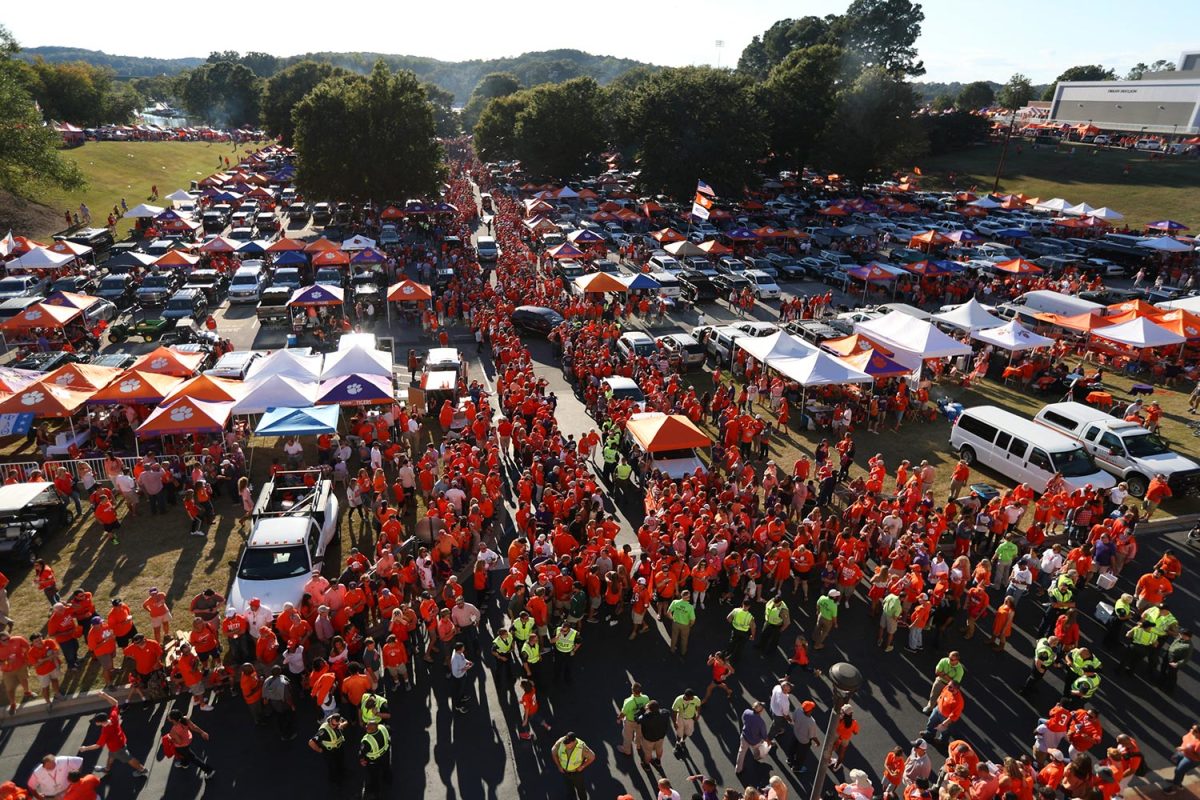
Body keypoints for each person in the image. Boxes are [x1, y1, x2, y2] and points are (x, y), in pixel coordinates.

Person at [77, 692, 148, 777]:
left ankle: (142, 769)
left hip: (117, 748)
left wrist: (85, 748)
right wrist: (105, 696)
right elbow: (115, 703)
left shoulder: (105, 731)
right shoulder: (113, 717)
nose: (95, 723)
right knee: (111, 756)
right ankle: (107, 769)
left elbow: (97, 745)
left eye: (96, 721)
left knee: (129, 758)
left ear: (101, 722)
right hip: (119, 742)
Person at [165, 709, 215, 779]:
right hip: (188, 739)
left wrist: (171, 739)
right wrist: (202, 732)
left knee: (193, 758)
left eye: (169, 716)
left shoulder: (173, 730)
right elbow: (193, 727)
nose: (168, 717)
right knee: (185, 754)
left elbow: (179, 742)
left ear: (173, 720)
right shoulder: (185, 719)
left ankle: (209, 770)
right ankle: (184, 763)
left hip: (181, 746)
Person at [307, 713, 350, 785]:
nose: (335, 726)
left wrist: (342, 725)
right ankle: (334, 780)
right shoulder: (323, 731)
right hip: (330, 752)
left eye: (337, 725)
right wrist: (319, 750)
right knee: (332, 766)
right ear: (330, 721)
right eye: (333, 725)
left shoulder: (337, 719)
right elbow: (311, 742)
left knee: (340, 762)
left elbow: (346, 721)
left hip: (339, 748)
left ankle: (342, 772)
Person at [552, 732, 595, 800]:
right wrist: (559, 766)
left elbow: (592, 756)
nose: (565, 745)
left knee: (581, 790)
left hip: (577, 773)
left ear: (574, 742)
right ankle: (571, 797)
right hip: (565, 772)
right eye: (565, 743)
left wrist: (582, 766)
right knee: (569, 787)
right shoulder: (561, 742)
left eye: (568, 744)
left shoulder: (582, 747)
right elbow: (553, 751)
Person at [358, 720, 391, 800]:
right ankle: (388, 779)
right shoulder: (383, 728)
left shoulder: (367, 741)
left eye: (368, 727)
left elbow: (362, 753)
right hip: (385, 755)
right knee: (386, 768)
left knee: (374, 776)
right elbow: (390, 732)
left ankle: (376, 792)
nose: (366, 726)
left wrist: (361, 760)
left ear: (372, 730)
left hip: (374, 761)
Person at [1164, 723, 1200, 793]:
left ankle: (1174, 787)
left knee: (1179, 770)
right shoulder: (1191, 733)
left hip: (1191, 759)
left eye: (1195, 730)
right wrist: (1183, 750)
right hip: (1183, 753)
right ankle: (1177, 782)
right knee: (1178, 770)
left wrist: (1184, 749)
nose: (1191, 730)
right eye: (1192, 728)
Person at [735, 701, 770, 773]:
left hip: (744, 737)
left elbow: (743, 719)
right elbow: (764, 735)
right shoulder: (761, 722)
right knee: (756, 750)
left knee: (741, 753)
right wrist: (768, 742)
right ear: (761, 711)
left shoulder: (747, 712)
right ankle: (756, 758)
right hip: (755, 741)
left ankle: (738, 769)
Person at [636, 700, 672, 767]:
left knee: (648, 753)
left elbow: (637, 719)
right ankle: (658, 761)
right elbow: (666, 711)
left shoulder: (645, 718)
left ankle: (646, 765)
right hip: (660, 737)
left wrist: (643, 709)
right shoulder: (665, 713)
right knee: (659, 749)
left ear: (649, 709)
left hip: (648, 739)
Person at [671, 690, 702, 755]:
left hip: (690, 719)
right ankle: (677, 743)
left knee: (688, 732)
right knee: (679, 732)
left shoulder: (695, 699)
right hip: (681, 718)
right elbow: (674, 712)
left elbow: (698, 706)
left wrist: (698, 715)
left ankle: (682, 741)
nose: (692, 699)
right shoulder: (678, 700)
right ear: (686, 697)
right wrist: (674, 723)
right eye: (691, 698)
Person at [667, 591, 696, 656]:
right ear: (688, 597)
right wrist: (690, 625)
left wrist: (673, 619)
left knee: (674, 637)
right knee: (684, 638)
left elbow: (668, 612)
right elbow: (693, 619)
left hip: (675, 623)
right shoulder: (690, 607)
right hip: (685, 625)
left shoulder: (675, 602)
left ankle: (672, 649)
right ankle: (683, 652)